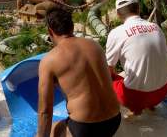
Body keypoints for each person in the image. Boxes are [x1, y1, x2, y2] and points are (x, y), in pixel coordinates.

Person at [37, 7, 120, 137]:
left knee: (54, 129)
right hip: (114, 121)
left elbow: (45, 111)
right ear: (72, 26)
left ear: (50, 31)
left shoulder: (49, 60)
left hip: (85, 129)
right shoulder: (95, 46)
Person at [105, 0, 167, 116]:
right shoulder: (156, 27)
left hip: (136, 98)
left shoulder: (116, 33)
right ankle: (150, 107)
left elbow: (108, 70)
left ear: (118, 14)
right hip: (163, 91)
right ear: (138, 9)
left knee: (108, 77)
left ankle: (134, 110)